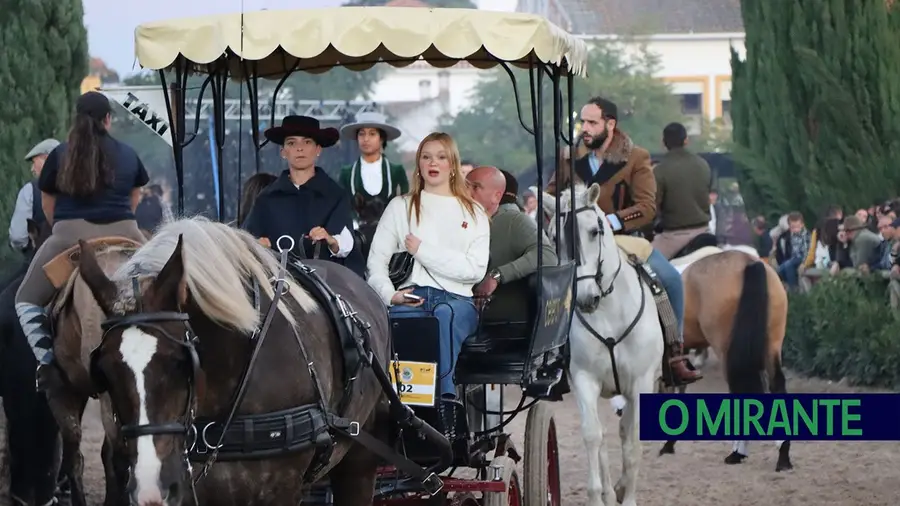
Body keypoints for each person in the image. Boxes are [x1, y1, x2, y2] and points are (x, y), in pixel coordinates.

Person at [16, 91, 149, 374]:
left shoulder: (59, 154)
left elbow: (47, 203)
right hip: (127, 232)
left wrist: (60, 229)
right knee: (170, 285)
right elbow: (135, 197)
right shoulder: (128, 153)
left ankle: (47, 365)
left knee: (25, 300)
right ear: (108, 120)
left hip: (69, 236)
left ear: (76, 120)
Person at [569, 97, 700, 383]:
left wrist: (609, 221)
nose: (585, 128)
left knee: (671, 280)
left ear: (610, 124)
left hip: (625, 239)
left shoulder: (636, 158)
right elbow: (552, 194)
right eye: (583, 122)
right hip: (580, 242)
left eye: (592, 122)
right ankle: (552, 355)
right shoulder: (570, 157)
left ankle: (674, 353)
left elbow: (646, 207)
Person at [366, 132, 489, 428]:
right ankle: (383, 410)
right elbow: (376, 263)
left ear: (453, 164)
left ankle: (442, 407)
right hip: (411, 296)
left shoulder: (473, 212)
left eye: (441, 156)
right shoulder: (400, 207)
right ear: (419, 164)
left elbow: (474, 270)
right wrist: (388, 294)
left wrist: (423, 250)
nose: (433, 163)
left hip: (457, 302)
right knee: (387, 326)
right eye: (426, 156)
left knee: (441, 317)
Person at [242, 115, 365, 277]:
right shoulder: (267, 198)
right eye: (292, 143)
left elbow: (346, 243)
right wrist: (256, 245)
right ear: (283, 152)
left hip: (325, 283)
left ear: (318, 149)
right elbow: (244, 240)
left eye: (307, 142)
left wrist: (330, 240)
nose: (299, 148)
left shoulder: (335, 195)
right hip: (277, 283)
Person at [468, 166, 557, 321]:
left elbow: (547, 255)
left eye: (475, 187)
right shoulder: (474, 221)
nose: (466, 193)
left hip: (495, 322)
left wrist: (497, 275)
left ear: (497, 194)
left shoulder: (515, 221)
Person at [651, 122, 713, 259]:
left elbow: (653, 209)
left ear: (663, 143)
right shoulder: (703, 164)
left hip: (674, 236)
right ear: (686, 140)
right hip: (705, 230)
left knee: (643, 264)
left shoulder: (660, 171)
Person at [337, 111, 409, 226]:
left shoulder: (396, 171)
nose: (366, 139)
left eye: (372, 134)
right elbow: (341, 208)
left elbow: (406, 207)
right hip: (356, 237)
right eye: (361, 134)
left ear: (381, 139)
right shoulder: (347, 173)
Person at [8, 139, 59, 254]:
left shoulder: (30, 190)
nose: (32, 169)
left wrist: (29, 246)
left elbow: (18, 237)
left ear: (46, 159)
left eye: (34, 162)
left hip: (44, 255)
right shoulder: (79, 185)